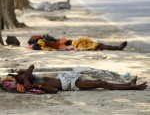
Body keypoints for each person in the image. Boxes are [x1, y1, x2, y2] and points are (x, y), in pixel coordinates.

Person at [0, 65, 147, 94]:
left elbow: (30, 66)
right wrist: (39, 87)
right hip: (70, 84)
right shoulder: (32, 87)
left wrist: (25, 79)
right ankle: (133, 87)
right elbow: (54, 90)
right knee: (102, 83)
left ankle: (128, 83)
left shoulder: (26, 78)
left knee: (102, 81)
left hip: (65, 76)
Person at [28, 35, 127, 51]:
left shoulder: (56, 42)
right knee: (98, 45)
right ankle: (117, 48)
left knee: (98, 44)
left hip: (73, 44)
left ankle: (116, 47)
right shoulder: (41, 45)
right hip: (73, 46)